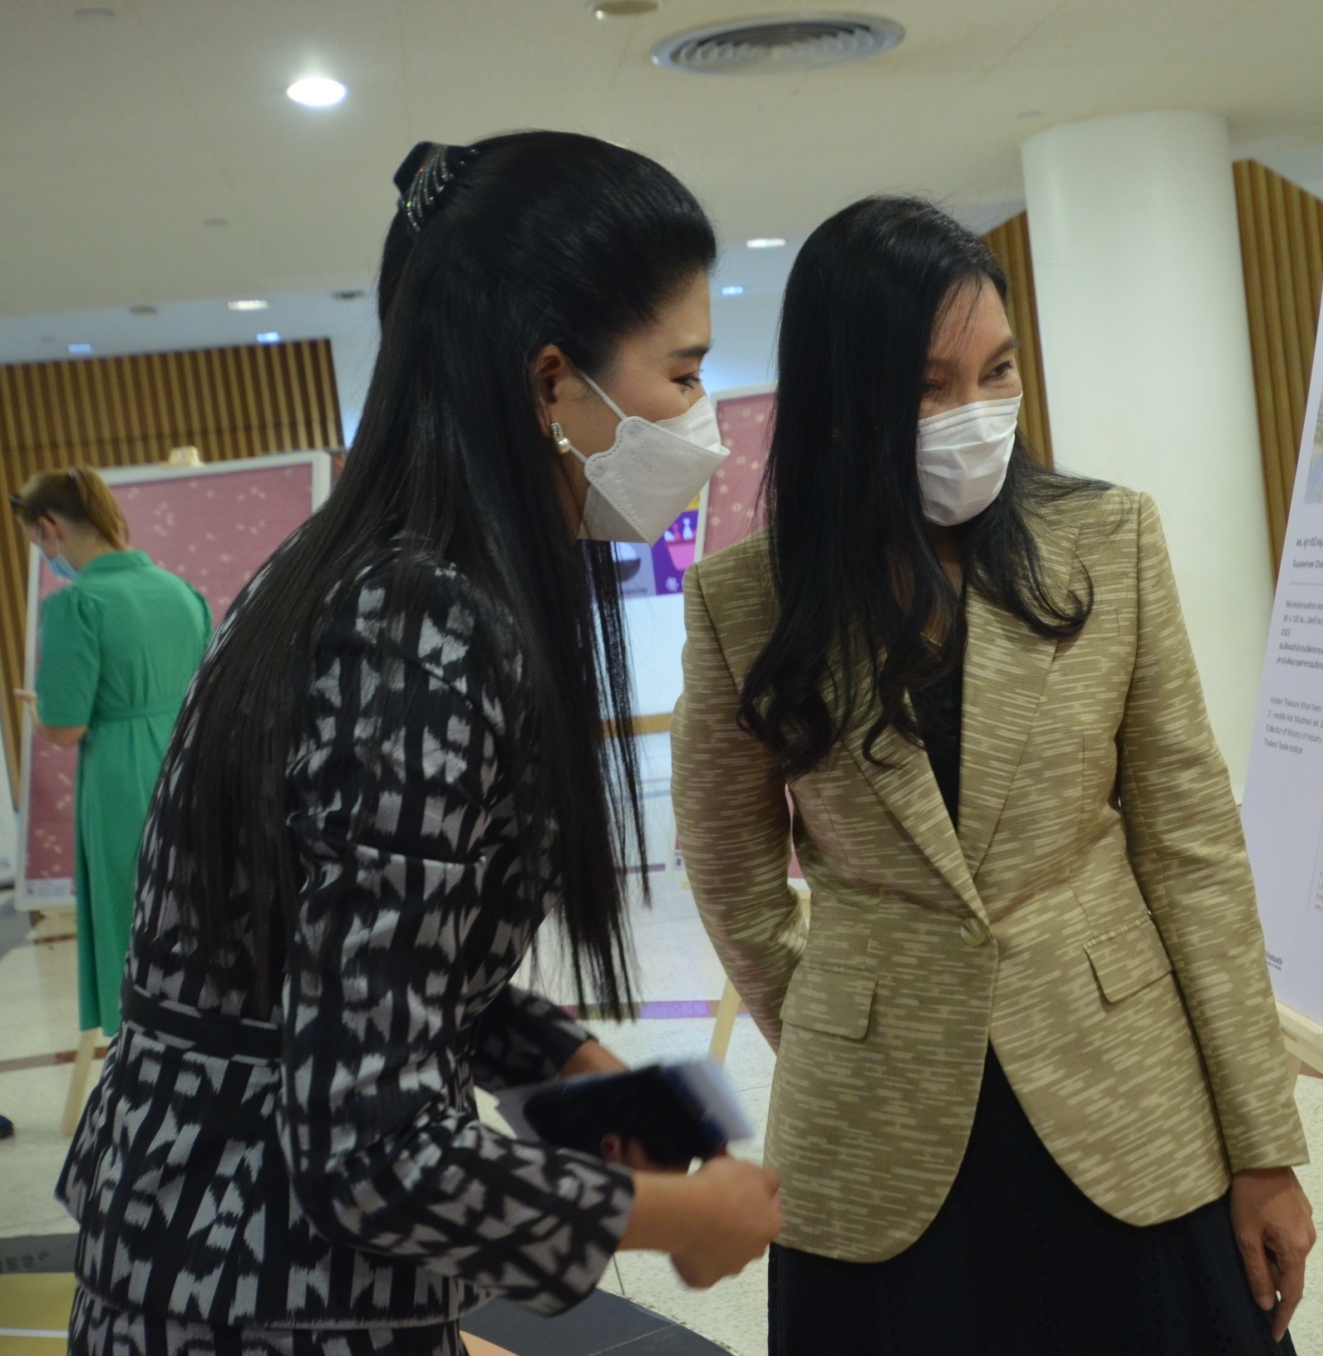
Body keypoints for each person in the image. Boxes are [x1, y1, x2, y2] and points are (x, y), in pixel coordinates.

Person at [57, 133, 781, 1354]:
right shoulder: (425, 627)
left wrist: (582, 1076)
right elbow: (371, 1147)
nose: (698, 421)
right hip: (264, 1289)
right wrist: (674, 1218)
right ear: (551, 384)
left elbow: (377, 974)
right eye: (682, 372)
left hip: (195, 1250)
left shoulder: (355, 568)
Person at [675, 197, 1316, 1356]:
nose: (974, 413)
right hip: (876, 1128)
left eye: (997, 370)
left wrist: (1261, 1146)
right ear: (841, 403)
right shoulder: (746, 600)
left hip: (1122, 1099)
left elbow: (1190, 849)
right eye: (927, 386)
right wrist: (837, 1017)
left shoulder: (1106, 541)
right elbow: (730, 868)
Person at [12, 467, 211, 1044]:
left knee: (133, 920)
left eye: (37, 543)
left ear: (50, 528)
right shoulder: (179, 590)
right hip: (191, 766)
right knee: (194, 913)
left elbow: (65, 727)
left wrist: (38, 713)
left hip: (124, 779)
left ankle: (147, 1048)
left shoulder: (77, 605)